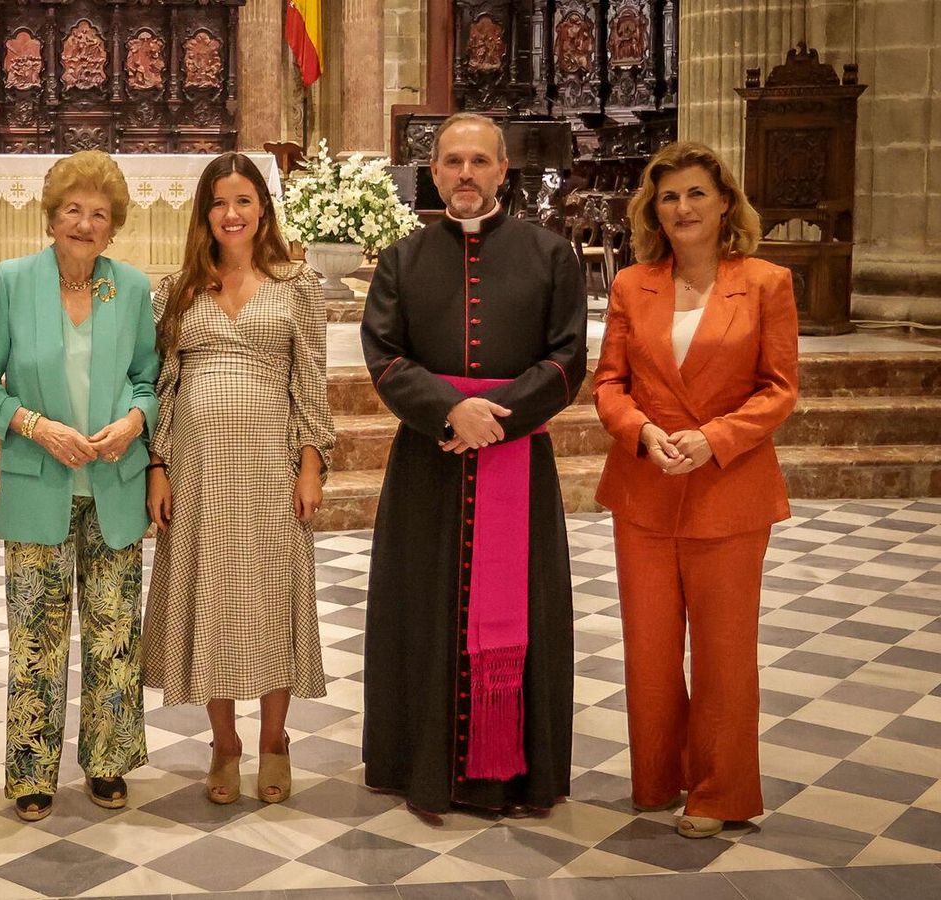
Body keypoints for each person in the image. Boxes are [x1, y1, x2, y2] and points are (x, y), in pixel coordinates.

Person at [360, 113, 586, 823]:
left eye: (479, 161)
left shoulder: (551, 255)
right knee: (421, 609)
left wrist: (497, 418)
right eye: (452, 161)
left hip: (517, 458)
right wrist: (449, 411)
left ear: (502, 170)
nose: (465, 173)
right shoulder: (401, 260)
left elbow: (568, 358)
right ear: (433, 172)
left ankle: (514, 776)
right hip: (428, 461)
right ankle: (416, 765)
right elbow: (383, 356)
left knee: (525, 613)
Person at [593, 141, 798, 839]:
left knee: (723, 652)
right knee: (649, 649)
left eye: (696, 194)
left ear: (725, 204)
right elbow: (609, 383)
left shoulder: (766, 283)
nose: (682, 207)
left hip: (728, 488)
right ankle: (656, 777)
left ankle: (720, 790)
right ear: (654, 210)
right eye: (669, 196)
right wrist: (641, 432)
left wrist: (714, 439)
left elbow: (779, 389)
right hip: (644, 487)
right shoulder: (632, 284)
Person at [0, 151, 158, 822]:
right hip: (37, 483)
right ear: (51, 218)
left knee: (114, 635)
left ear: (114, 227)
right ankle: (31, 772)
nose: (85, 223)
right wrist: (36, 426)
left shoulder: (130, 288)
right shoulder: (14, 282)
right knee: (36, 637)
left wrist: (135, 421)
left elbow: (148, 378)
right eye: (73, 210)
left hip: (114, 484)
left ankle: (107, 762)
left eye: (99, 214)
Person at [141, 152, 334, 805]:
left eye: (243, 200)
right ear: (204, 213)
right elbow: (163, 385)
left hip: (270, 466)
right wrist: (158, 466)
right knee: (213, 599)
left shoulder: (296, 284)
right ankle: (225, 744)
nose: (231, 214)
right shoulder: (177, 290)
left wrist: (311, 463)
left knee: (272, 596)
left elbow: (310, 379)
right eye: (219, 202)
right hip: (198, 468)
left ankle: (275, 740)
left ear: (263, 209)